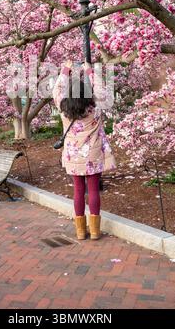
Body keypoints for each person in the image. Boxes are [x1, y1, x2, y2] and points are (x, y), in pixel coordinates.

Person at [52, 60, 116, 240]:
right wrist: (89, 71)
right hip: (93, 154)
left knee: (78, 190)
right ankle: (95, 231)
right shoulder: (94, 109)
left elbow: (56, 90)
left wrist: (66, 69)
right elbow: (101, 91)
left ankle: (80, 231)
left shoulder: (63, 108)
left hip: (73, 156)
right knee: (93, 189)